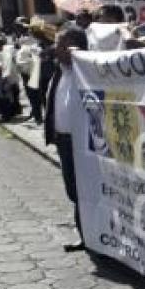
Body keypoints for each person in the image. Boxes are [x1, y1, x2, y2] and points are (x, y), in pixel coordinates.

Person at [44, 26, 90, 252]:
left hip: (83, 143)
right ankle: (85, 235)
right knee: (73, 191)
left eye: (61, 45)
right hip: (63, 141)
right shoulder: (59, 71)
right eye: (57, 44)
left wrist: (82, 59)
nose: (56, 49)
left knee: (85, 191)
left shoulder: (89, 72)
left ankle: (90, 237)